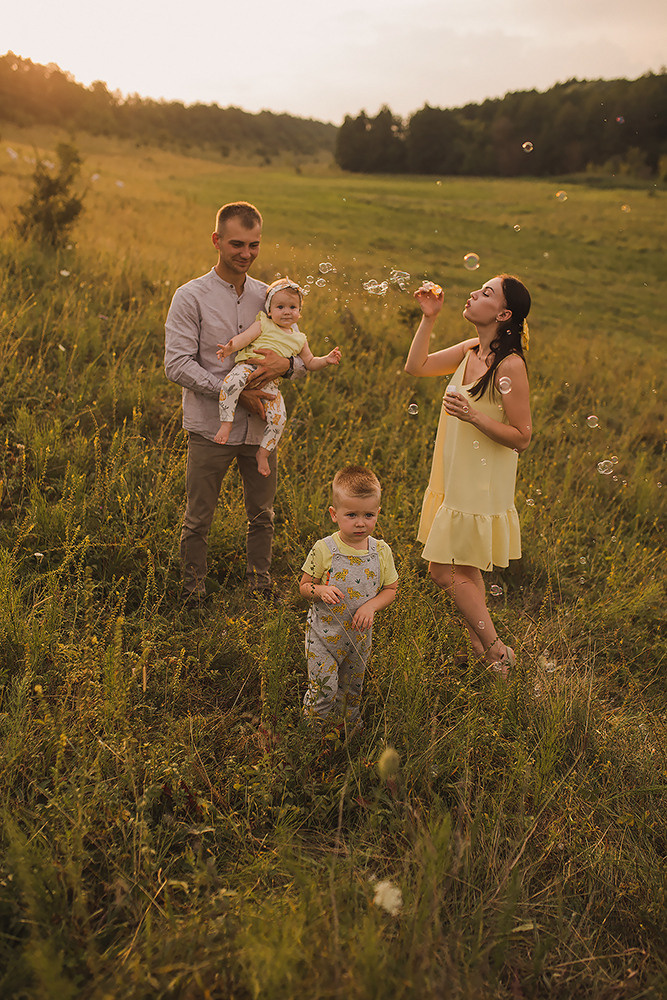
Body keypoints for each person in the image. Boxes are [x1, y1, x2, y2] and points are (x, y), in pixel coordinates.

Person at [164, 201, 305, 602]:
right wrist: (234, 393)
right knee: (198, 517)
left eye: (254, 245)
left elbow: (298, 356)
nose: (246, 253)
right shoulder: (190, 296)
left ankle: (260, 586)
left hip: (261, 429)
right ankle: (193, 593)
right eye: (237, 244)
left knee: (263, 516)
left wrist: (287, 365)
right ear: (217, 241)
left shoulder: (272, 296)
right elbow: (176, 364)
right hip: (211, 427)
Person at [404, 274, 532, 677]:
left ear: (503, 314)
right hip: (455, 473)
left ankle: (497, 651)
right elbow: (416, 366)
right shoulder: (469, 350)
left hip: (480, 482)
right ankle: (481, 647)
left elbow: (522, 437)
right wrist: (429, 318)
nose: (474, 294)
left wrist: (474, 416)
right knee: (466, 569)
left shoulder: (510, 365)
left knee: (442, 570)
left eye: (487, 293)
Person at [299, 465, 398, 728]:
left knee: (352, 690)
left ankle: (348, 731)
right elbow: (304, 586)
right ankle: (312, 736)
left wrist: (371, 607)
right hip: (323, 636)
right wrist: (320, 590)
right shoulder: (324, 549)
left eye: (368, 515)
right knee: (324, 689)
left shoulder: (381, 551)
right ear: (334, 514)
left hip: (358, 639)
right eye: (351, 515)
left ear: (378, 513)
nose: (360, 523)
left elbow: (391, 589)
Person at [214, 276, 341, 476]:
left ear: (299, 312)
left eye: (293, 307)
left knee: (279, 418)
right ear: (270, 310)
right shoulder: (263, 323)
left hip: (271, 383)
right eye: (280, 307)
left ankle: (263, 453)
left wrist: (326, 359)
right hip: (248, 367)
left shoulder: (299, 339)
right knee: (231, 383)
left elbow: (309, 362)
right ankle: (226, 423)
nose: (287, 311)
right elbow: (244, 338)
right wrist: (229, 348)